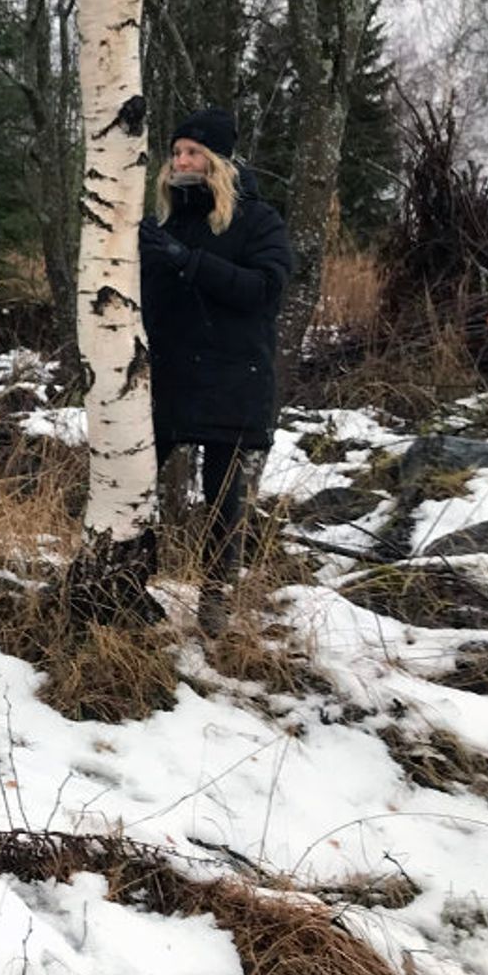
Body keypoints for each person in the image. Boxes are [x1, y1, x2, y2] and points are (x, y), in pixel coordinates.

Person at [139, 109, 293, 635]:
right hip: (166, 376)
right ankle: (122, 580)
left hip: (234, 376)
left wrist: (188, 260)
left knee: (222, 498)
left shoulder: (258, 220)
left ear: (218, 161)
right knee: (132, 478)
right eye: (177, 152)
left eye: (193, 153)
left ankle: (214, 598)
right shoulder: (163, 223)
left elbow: (264, 290)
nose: (181, 162)